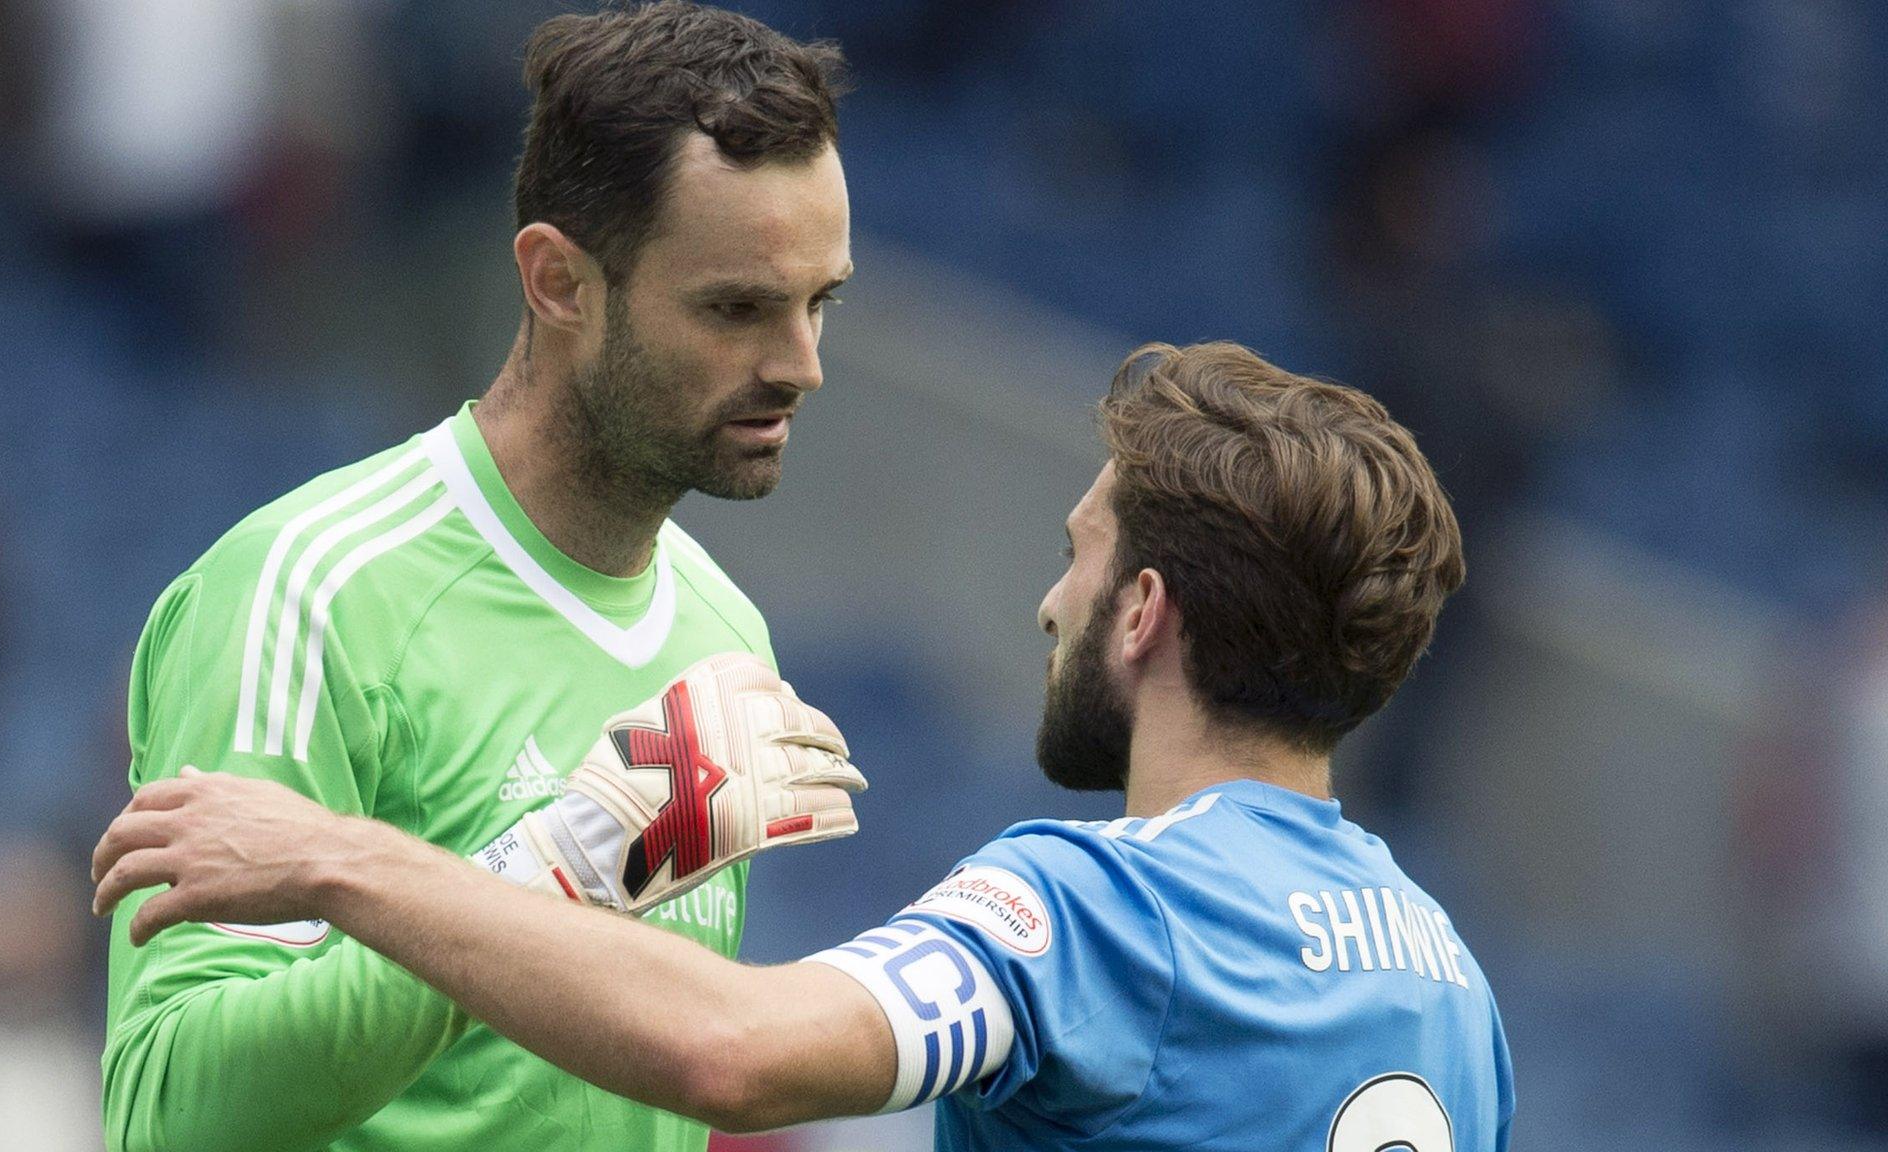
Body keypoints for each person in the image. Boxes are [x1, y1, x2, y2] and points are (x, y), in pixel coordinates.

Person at [96, 341, 1518, 1148]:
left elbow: (735, 1052)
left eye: (1076, 559)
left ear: (1143, 613)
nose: (1049, 602)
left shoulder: (1091, 914)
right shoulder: (1452, 986)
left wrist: (348, 861)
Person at [98, 4, 862, 1151]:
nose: (799, 366)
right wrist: (558, 876)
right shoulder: (308, 590)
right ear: (558, 282)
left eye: (820, 304)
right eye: (735, 308)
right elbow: (168, 1116)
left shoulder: (724, 633)